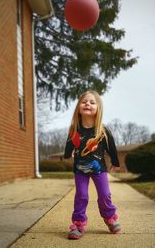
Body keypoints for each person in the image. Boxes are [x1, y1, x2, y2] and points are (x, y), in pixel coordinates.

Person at [64, 90, 121, 240]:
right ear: (78, 108)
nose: (87, 104)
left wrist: (115, 162)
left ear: (98, 109)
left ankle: (110, 218)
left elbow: (112, 147)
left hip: (99, 169)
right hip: (80, 169)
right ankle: (78, 224)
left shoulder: (102, 130)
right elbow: (69, 144)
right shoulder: (74, 129)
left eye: (92, 102)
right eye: (84, 102)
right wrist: (66, 155)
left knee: (104, 195)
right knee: (81, 196)